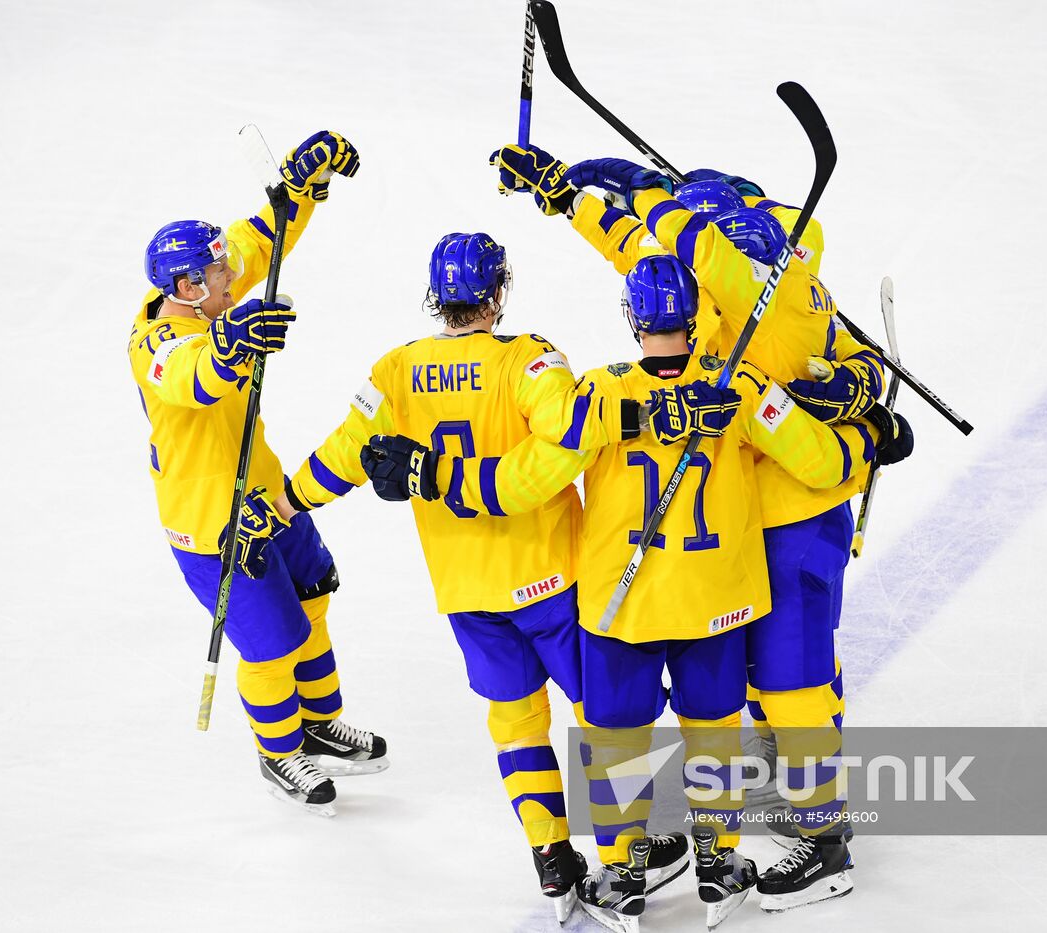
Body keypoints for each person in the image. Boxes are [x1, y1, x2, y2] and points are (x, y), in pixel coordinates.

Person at [363, 254, 910, 931]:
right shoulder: (742, 385)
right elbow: (823, 462)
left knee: (616, 739)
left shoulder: (593, 394)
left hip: (623, 609)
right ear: (695, 317)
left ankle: (623, 872)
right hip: (717, 605)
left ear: (632, 318)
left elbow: (520, 485)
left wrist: (436, 473)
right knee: (713, 732)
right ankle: (717, 863)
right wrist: (870, 432)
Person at [493, 144, 900, 908]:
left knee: (794, 683)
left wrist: (863, 426)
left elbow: (675, 237)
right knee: (771, 684)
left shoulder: (756, 289)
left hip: (794, 519)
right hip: (756, 525)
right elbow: (647, 253)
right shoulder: (753, 273)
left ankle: (823, 838)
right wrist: (569, 199)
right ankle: (798, 785)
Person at [247, 231, 687, 920]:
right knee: (604, 717)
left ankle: (550, 855)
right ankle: (624, 854)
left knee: (515, 725)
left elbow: (346, 451)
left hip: (465, 590)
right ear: (499, 291)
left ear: (438, 297)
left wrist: (288, 501)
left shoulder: (395, 369)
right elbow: (568, 434)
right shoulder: (530, 359)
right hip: (554, 581)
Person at [126, 130, 387, 817]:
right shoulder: (154, 344)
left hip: (265, 490)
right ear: (186, 288)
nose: (231, 277)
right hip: (210, 523)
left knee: (313, 595)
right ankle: (278, 752)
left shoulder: (209, 285)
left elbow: (257, 240)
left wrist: (299, 191)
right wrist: (233, 346)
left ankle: (318, 722)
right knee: (271, 642)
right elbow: (193, 379)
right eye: (217, 276)